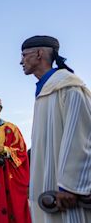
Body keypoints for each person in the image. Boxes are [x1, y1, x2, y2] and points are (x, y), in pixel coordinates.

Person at [21, 35, 91, 222]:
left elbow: (81, 136)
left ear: (39, 53)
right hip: (47, 188)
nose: (21, 61)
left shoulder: (69, 87)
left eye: (24, 55)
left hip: (67, 194)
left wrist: (70, 186)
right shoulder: (44, 91)